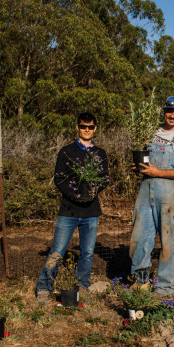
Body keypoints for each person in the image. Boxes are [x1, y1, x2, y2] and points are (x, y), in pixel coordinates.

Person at [36, 112, 109, 304]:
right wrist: (74, 194)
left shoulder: (99, 153)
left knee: (86, 252)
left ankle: (82, 284)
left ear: (95, 128)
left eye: (90, 127)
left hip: (91, 212)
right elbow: (59, 178)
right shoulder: (66, 151)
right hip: (68, 210)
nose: (86, 130)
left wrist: (93, 191)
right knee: (57, 250)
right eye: (83, 126)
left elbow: (104, 179)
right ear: (77, 127)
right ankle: (44, 287)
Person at [129, 96, 174, 297]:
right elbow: (145, 162)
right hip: (145, 190)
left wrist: (157, 172)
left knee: (168, 241)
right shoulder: (152, 132)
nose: (172, 115)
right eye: (169, 110)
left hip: (170, 193)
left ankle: (165, 287)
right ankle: (140, 281)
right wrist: (138, 167)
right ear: (163, 111)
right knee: (139, 237)